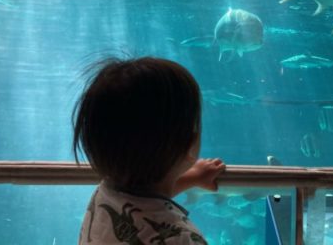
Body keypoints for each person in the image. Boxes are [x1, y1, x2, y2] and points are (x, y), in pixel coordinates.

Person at [72, 57, 226, 244]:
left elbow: (142, 202)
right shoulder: (181, 239)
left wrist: (193, 177)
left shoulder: (105, 194)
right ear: (190, 143)